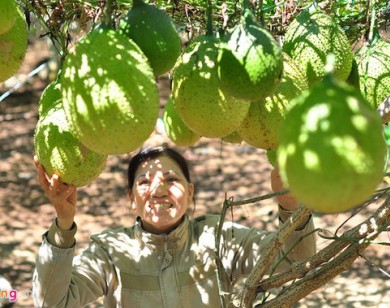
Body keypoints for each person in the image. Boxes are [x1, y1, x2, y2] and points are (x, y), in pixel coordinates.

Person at [32, 146, 316, 307]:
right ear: (131, 199)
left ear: (190, 193)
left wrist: (292, 206)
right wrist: (63, 225)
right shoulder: (110, 252)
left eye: (171, 179)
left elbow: (296, 262)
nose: (158, 190)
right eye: (144, 182)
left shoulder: (218, 239)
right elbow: (52, 303)